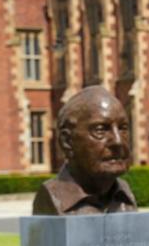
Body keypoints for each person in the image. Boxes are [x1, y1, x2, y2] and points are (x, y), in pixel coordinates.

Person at [32, 86, 138, 215]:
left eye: (123, 128)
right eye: (100, 130)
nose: (118, 141)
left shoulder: (125, 196)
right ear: (67, 141)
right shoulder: (53, 198)